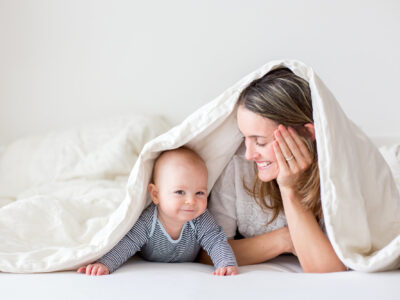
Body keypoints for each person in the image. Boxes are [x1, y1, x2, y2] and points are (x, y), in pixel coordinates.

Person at [203, 68, 347, 273]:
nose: (249, 154)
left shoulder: (334, 174)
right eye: (245, 138)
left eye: (260, 142)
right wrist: (285, 239)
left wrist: (290, 189)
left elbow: (328, 271)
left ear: (306, 133)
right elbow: (209, 254)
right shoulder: (237, 166)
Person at [77, 147, 238, 276]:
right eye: (180, 192)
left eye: (199, 193)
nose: (191, 201)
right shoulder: (149, 220)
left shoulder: (200, 218)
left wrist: (226, 264)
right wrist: (105, 264)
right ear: (155, 194)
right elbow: (128, 243)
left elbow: (215, 240)